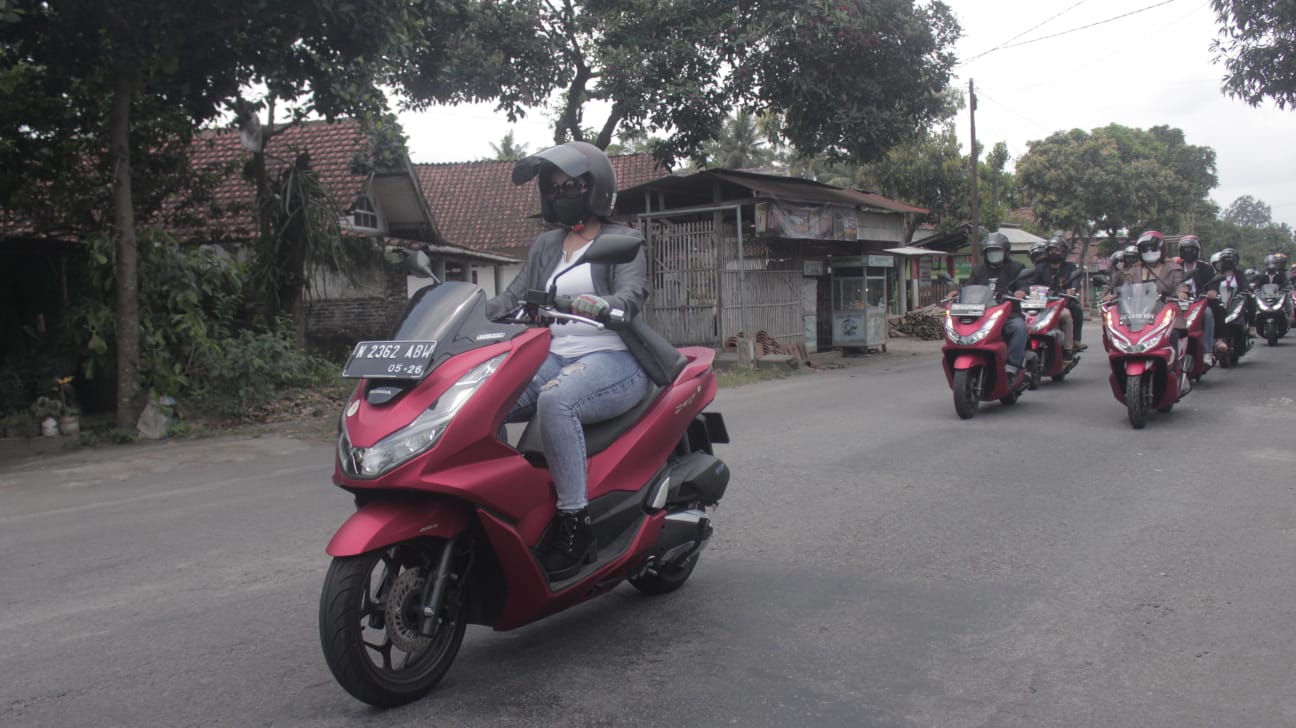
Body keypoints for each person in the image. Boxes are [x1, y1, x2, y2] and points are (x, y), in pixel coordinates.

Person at [487, 141, 685, 580]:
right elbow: (514, 296)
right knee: (482, 397)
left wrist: (595, 304)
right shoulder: (546, 245)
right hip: (552, 355)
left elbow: (630, 295)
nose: (562, 192)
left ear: (595, 187)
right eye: (554, 186)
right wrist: (471, 310)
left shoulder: (623, 240)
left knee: (555, 401)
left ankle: (575, 528)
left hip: (614, 358)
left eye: (571, 184)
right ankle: (494, 506)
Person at [958, 232, 1029, 377]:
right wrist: (957, 293)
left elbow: (1023, 285)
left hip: (1009, 314)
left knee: (1019, 328)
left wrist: (1021, 291)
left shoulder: (1016, 267)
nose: (994, 253)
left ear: (1006, 251)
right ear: (985, 252)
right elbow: (969, 287)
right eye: (990, 251)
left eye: (997, 250)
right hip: (982, 314)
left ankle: (1012, 365)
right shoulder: (979, 269)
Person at [1029, 236, 1087, 360]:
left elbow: (1075, 281)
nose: (1053, 252)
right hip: (1041, 303)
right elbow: (1030, 283)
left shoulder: (1070, 267)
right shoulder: (1040, 268)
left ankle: (1069, 348)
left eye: (1057, 250)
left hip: (1062, 302)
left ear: (1063, 252)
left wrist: (1072, 290)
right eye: (1051, 250)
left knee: (1070, 313)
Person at [1175, 235, 1220, 355]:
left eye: (1192, 250)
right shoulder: (1174, 268)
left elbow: (1213, 284)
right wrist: (1177, 293)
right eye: (1185, 250)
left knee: (1208, 314)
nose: (1189, 253)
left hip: (1198, 303)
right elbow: (1168, 284)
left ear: (1198, 252)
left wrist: (1212, 292)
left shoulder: (1207, 268)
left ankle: (1207, 351)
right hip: (1176, 304)